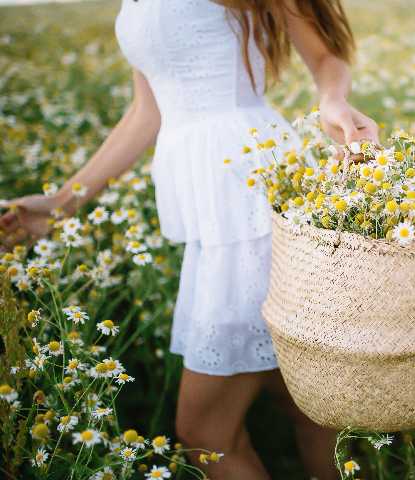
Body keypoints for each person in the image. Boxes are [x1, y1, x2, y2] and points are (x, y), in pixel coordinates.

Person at [0, 1, 379, 478]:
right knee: (309, 398)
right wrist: (63, 203)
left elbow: (325, 56)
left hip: (246, 188)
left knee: (207, 433)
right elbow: (148, 110)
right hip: (212, 204)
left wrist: (332, 100)